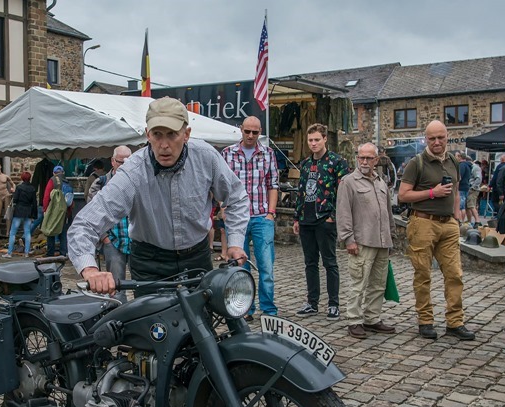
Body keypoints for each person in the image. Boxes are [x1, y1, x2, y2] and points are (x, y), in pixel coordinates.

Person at [68, 97, 249, 296]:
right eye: (157, 134)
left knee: (204, 320)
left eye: (172, 134)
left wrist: (235, 243)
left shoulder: (206, 157)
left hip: (197, 256)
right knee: (153, 325)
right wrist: (90, 270)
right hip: (150, 262)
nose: (164, 145)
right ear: (148, 134)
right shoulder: (133, 172)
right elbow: (85, 224)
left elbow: (237, 197)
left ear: (186, 134)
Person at [398, 120, 475, 341]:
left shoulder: (453, 160)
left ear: (447, 136)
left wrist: (456, 216)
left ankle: (455, 322)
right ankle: (425, 321)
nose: (437, 142)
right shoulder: (417, 163)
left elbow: (457, 191)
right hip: (423, 222)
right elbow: (403, 195)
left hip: (448, 224)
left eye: (440, 137)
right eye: (432, 138)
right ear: (426, 139)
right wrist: (432, 193)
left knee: (454, 274)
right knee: (423, 275)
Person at [222, 116, 280, 321]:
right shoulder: (228, 154)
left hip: (261, 216)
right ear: (241, 130)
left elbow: (273, 185)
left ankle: (269, 309)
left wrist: (271, 214)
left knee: (266, 266)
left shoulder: (268, 153)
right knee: (239, 268)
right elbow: (221, 185)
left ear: (260, 132)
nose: (250, 136)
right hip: (237, 219)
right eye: (247, 131)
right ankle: (244, 308)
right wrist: (223, 207)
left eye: (255, 132)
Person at [336, 143, 396, 339]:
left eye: (369, 158)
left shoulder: (381, 182)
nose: (364, 161)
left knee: (378, 284)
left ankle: (372, 318)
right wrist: (348, 240)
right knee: (358, 284)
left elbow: (388, 212)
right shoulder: (349, 182)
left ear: (376, 161)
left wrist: (391, 235)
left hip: (381, 241)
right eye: (361, 157)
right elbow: (343, 213)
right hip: (361, 242)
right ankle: (354, 320)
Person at [293, 123, 350, 320]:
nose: (314, 143)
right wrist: (297, 216)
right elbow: (301, 192)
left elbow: (344, 193)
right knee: (310, 263)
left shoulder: (337, 162)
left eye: (317, 139)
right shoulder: (306, 164)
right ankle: (312, 302)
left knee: (330, 263)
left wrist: (333, 215)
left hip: (325, 219)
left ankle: (334, 304)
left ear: (325, 138)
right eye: (310, 140)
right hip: (306, 219)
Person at [89, 146, 133, 282]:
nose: (125, 165)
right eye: (121, 162)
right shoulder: (100, 184)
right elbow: (92, 214)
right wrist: (105, 238)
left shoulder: (138, 181)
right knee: (116, 287)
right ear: (113, 161)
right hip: (113, 241)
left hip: (137, 242)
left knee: (141, 286)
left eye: (129, 162)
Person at [3, 171, 37, 258]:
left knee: (13, 232)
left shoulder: (19, 187)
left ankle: (9, 253)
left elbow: (15, 200)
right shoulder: (32, 189)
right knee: (27, 232)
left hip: (19, 211)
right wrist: (34, 215)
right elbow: (34, 202)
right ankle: (26, 253)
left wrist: (14, 193)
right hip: (28, 211)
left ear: (22, 178)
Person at [42, 165, 71, 257]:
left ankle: (50, 252)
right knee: (63, 233)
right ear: (63, 172)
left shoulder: (52, 180)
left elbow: (46, 196)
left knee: (50, 230)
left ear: (54, 173)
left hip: (54, 211)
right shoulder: (68, 181)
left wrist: (45, 210)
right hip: (65, 211)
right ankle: (63, 253)